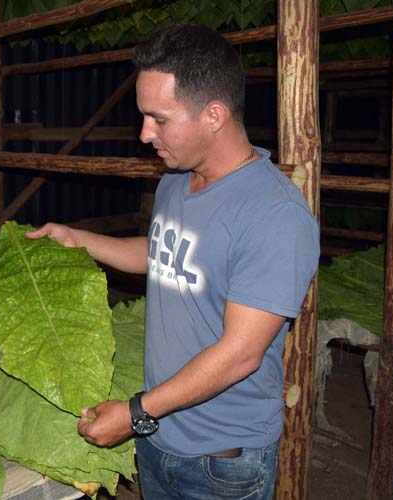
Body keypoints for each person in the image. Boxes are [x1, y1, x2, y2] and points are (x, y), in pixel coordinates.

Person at [27, 24, 319, 500]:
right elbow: (160, 252)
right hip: (159, 435)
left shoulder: (274, 214)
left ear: (214, 116)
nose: (145, 134)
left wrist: (137, 411)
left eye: (159, 119)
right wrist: (76, 238)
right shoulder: (177, 182)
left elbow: (241, 354)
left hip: (220, 460)